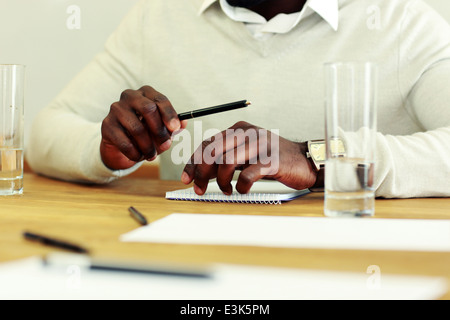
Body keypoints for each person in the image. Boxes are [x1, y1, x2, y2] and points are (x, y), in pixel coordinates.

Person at [26, 0, 450, 198]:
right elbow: (48, 128)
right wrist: (107, 150)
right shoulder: (159, 18)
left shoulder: (403, 21)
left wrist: (316, 157)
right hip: (192, 264)